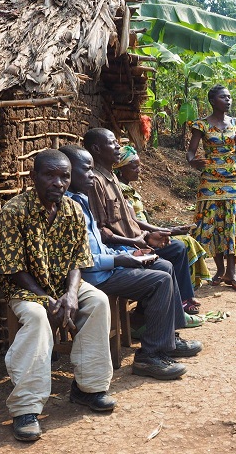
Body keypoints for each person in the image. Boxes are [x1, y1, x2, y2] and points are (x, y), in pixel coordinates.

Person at [0, 150, 116, 442]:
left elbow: (78, 260)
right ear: (33, 176)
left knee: (97, 301)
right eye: (50, 175)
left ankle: (89, 388)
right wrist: (47, 299)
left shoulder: (73, 210)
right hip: (26, 289)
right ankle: (26, 409)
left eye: (64, 176)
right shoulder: (13, 212)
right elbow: (13, 270)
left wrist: (71, 296)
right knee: (37, 317)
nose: (58, 182)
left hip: (64, 286)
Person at [60, 145, 201, 380]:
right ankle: (149, 357)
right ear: (69, 173)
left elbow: (95, 244)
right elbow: (83, 259)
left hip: (104, 265)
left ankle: (167, 340)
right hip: (93, 276)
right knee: (160, 280)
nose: (92, 175)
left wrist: (130, 252)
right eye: (86, 171)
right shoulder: (69, 207)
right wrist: (119, 257)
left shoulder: (81, 200)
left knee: (165, 265)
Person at [82, 128, 200, 317]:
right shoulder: (96, 182)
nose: (118, 146)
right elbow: (100, 229)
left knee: (176, 248)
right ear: (96, 149)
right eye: (113, 142)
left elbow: (130, 219)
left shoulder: (111, 176)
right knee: (165, 263)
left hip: (134, 241)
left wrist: (156, 232)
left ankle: (176, 305)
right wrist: (136, 242)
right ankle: (161, 315)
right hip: (120, 247)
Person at [114, 145, 211, 291]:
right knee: (181, 245)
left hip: (145, 234)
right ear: (121, 169)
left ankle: (184, 293)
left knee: (186, 241)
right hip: (138, 239)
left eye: (139, 167)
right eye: (134, 167)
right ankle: (183, 294)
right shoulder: (120, 190)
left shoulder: (127, 188)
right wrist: (168, 230)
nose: (138, 170)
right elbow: (134, 221)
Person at [187, 84, 236, 291]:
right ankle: (219, 270)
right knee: (212, 223)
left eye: (230, 97)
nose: (228, 100)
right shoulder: (201, 125)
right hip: (209, 180)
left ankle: (232, 273)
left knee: (232, 222)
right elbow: (191, 152)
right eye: (224, 97)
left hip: (232, 179)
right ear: (213, 101)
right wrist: (193, 162)